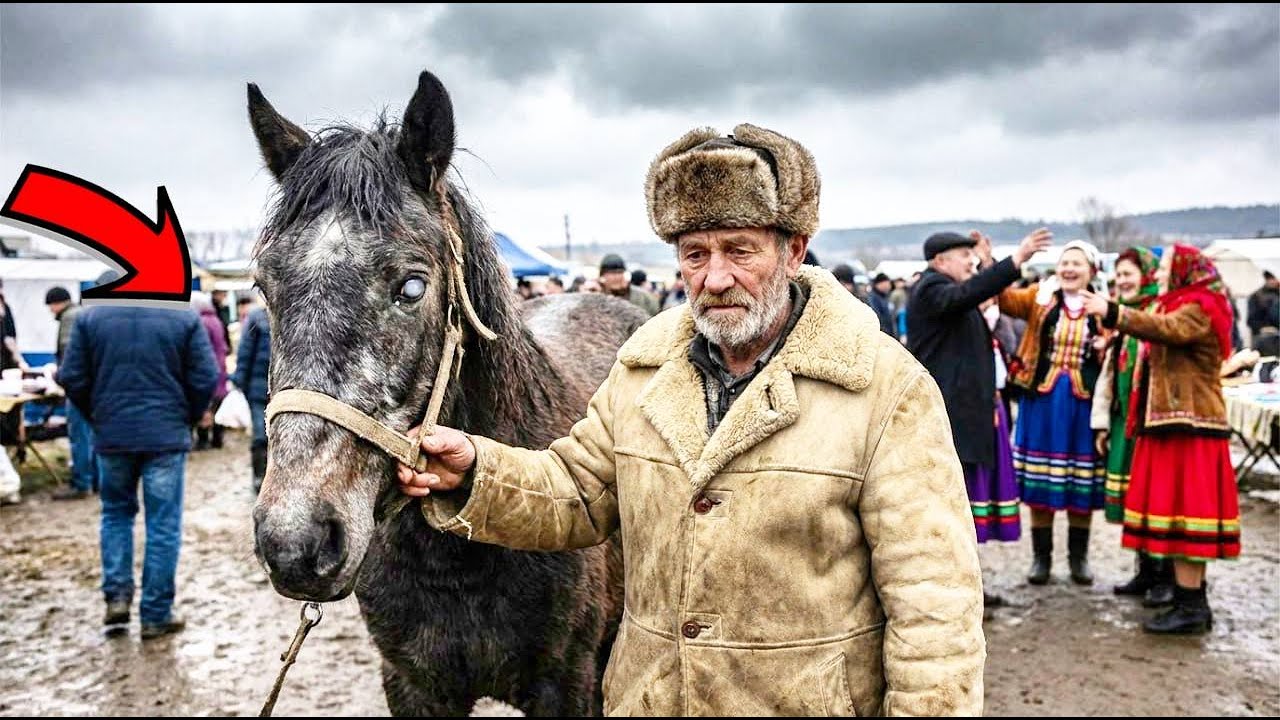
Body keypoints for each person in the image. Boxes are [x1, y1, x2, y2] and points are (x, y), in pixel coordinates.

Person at [398, 123, 985, 715]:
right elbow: (577, 491)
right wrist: (477, 471)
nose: (715, 277)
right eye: (695, 254)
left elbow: (934, 603)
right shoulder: (646, 371)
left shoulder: (885, 389)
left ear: (794, 250)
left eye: (740, 250)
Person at [1081, 245, 1241, 635]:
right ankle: (1186, 597)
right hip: (1172, 424)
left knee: (1189, 517)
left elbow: (1168, 330)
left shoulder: (1201, 305)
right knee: (1175, 514)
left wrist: (1113, 312)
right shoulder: (1180, 301)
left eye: (1169, 266)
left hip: (1191, 427)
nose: (1163, 273)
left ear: (1187, 270)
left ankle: (1192, 605)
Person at [57, 272, 219, 638]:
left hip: (112, 435)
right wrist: (189, 417)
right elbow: (205, 376)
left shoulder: (88, 317)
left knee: (115, 516)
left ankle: (116, 599)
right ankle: (156, 613)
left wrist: (98, 415)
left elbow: (72, 377)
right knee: (162, 525)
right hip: (165, 435)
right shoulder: (181, 314)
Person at [906, 228, 1053, 604]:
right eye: (963, 256)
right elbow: (968, 293)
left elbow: (976, 294)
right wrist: (1015, 260)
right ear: (940, 261)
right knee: (951, 507)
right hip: (950, 417)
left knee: (964, 505)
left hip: (967, 414)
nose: (969, 262)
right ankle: (951, 590)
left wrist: (987, 263)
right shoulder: (931, 288)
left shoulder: (950, 290)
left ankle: (965, 585)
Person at [1000, 240, 1106, 586]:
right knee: (1040, 482)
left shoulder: (1104, 307)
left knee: (1081, 483)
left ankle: (1079, 559)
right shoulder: (1040, 298)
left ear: (1091, 271)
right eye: (1064, 263)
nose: (1069, 269)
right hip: (1043, 401)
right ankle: (1041, 559)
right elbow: (1002, 297)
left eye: (1077, 263)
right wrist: (1001, 260)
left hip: (1082, 403)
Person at [1090, 247, 1172, 605]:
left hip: (1151, 423)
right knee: (1135, 500)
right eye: (1119, 274)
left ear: (1148, 276)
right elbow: (1113, 372)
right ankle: (1146, 570)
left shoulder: (1159, 313)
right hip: (1127, 421)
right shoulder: (1127, 316)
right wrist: (1104, 422)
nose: (1122, 280)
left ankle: (1165, 576)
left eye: (1129, 274)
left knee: (1158, 501)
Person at [46, 286, 97, 500]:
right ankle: (96, 480)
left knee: (80, 437)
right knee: (93, 437)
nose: (50, 310)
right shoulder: (85, 313)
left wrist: (60, 378)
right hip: (94, 387)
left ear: (59, 303)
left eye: (50, 305)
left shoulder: (69, 318)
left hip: (78, 388)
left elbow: (69, 355)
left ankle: (81, 483)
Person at [232, 301, 272, 493]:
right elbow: (245, 352)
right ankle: (259, 478)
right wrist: (239, 382)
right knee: (260, 436)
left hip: (284, 390)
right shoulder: (257, 318)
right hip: (258, 388)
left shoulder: (294, 313)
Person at [191, 293, 229, 451]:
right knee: (218, 405)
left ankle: (203, 440)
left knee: (206, 405)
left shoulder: (202, 322)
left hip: (210, 368)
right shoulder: (216, 321)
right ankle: (218, 439)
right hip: (221, 366)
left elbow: (201, 350)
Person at [1246, 270, 1278, 346]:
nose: (1274, 281)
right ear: (1267, 279)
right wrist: (1263, 329)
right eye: (1272, 278)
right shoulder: (1256, 296)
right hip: (1262, 339)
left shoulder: (1278, 294)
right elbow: (1251, 320)